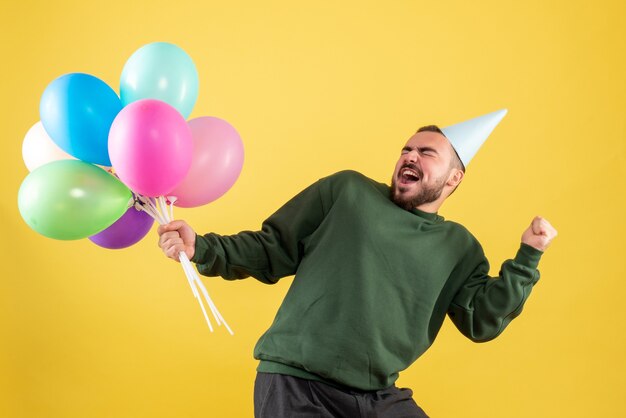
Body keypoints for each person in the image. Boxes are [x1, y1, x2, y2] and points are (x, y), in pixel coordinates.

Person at [158, 123, 557, 418]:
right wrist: (203, 247)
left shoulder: (459, 247)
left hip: (378, 396)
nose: (410, 156)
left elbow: (482, 320)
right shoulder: (348, 192)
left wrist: (528, 257)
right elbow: (272, 246)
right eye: (407, 149)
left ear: (454, 177)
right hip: (298, 384)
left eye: (427, 153)